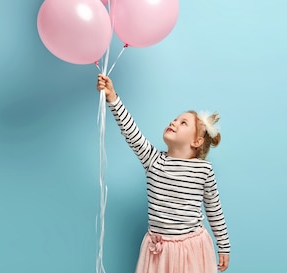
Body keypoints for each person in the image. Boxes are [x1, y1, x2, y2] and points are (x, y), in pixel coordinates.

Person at [97, 74, 231, 273]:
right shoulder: (153, 160)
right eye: (175, 119)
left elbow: (214, 208)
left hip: (191, 249)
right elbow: (131, 132)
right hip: (158, 251)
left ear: (196, 142)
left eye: (183, 123)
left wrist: (224, 245)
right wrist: (113, 98)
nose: (174, 122)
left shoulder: (203, 170)